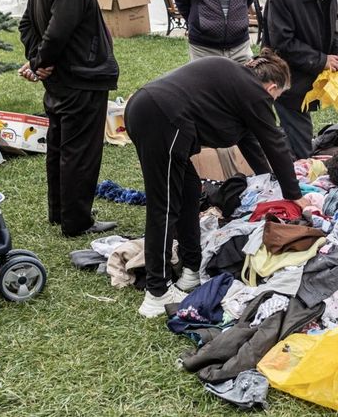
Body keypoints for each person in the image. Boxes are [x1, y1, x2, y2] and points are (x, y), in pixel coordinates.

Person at [124, 49, 308, 317]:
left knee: (188, 192)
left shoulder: (238, 87)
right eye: (276, 98)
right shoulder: (252, 91)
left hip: (156, 113)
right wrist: (295, 194)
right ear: (271, 88)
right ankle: (157, 292)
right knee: (164, 206)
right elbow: (274, 140)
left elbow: (254, 144)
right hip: (161, 118)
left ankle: (190, 270)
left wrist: (269, 182)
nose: (272, 105)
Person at [18, 0, 119, 237]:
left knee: (60, 147)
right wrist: (40, 61)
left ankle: (60, 212)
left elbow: (26, 26)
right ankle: (76, 222)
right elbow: (57, 32)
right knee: (80, 153)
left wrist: (38, 60)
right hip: (81, 80)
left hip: (64, 80)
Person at [264, 0, 338, 160]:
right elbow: (282, 43)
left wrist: (337, 52)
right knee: (301, 141)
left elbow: (331, 22)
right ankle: (296, 177)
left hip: (308, 72)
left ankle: (288, 158)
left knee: (297, 132)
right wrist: (322, 60)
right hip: (286, 77)